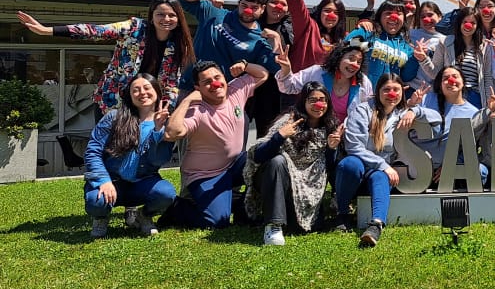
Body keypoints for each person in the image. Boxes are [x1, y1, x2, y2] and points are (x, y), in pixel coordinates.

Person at [18, 0, 195, 112]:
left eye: (172, 15)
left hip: (148, 106)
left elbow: (172, 83)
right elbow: (95, 31)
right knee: (110, 154)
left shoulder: (179, 45)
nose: (166, 19)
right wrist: (47, 31)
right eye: (160, 14)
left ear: (179, 19)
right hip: (113, 102)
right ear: (151, 16)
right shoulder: (134, 28)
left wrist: (167, 107)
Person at [163, 60, 268, 228]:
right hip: (206, 175)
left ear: (224, 78)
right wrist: (187, 101)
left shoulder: (236, 90)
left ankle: (239, 204)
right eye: (207, 82)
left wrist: (245, 65)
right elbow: (171, 133)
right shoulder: (196, 110)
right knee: (217, 221)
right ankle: (178, 208)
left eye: (217, 77)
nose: (215, 84)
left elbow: (263, 74)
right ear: (198, 88)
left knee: (265, 156)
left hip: (234, 165)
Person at [336, 73, 436, 245]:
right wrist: (383, 165)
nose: (392, 94)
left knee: (380, 176)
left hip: (380, 174)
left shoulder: (401, 113)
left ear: (402, 93)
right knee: (349, 164)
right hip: (359, 169)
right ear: (378, 91)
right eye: (386, 89)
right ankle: (342, 214)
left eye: (396, 89)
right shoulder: (362, 110)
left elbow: (436, 117)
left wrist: (414, 110)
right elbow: (354, 147)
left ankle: (376, 225)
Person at [244, 82, 343, 246]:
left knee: (302, 227)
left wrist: (332, 149)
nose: (319, 104)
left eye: (323, 100)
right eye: (312, 100)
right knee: (278, 160)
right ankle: (273, 225)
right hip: (277, 182)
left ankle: (288, 219)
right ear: (303, 102)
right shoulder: (288, 121)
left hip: (308, 189)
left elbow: (328, 170)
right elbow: (258, 156)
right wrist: (280, 136)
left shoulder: (330, 128)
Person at [83, 74, 177, 238]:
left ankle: (144, 216)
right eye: (136, 90)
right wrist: (103, 180)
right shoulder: (114, 118)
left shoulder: (165, 123)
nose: (142, 93)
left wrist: (157, 130)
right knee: (95, 201)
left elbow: (159, 160)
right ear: (129, 95)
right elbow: (93, 151)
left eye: (147, 88)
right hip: (113, 181)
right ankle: (101, 217)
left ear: (157, 91)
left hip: (143, 181)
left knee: (166, 194)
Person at [175, 0, 280, 89]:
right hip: (189, 86)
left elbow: (277, 68)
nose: (248, 11)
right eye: (244, 5)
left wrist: (277, 39)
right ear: (238, 4)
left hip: (218, 94)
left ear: (263, 9)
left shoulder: (259, 41)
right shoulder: (213, 13)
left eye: (254, 7)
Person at [274, 42, 372, 125]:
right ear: (339, 58)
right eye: (351, 58)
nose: (355, 64)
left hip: (346, 137)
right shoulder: (317, 72)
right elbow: (288, 87)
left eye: (359, 62)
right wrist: (286, 70)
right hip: (314, 132)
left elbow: (369, 111)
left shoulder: (363, 82)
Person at [249, 0, 296, 137]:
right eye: (274, 2)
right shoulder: (252, 25)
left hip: (278, 90)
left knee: (274, 134)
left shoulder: (290, 28)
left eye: (283, 4)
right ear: (265, 5)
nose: (278, 7)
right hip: (252, 86)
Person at [284, 0, 348, 71]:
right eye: (327, 11)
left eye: (336, 13)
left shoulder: (343, 38)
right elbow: (299, 12)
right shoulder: (308, 28)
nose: (331, 15)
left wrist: (366, 19)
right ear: (320, 12)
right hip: (303, 85)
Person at [345, 0, 420, 90]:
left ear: (404, 18)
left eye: (399, 13)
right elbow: (346, 44)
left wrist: (415, 57)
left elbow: (406, 77)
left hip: (386, 97)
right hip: (359, 92)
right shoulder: (368, 31)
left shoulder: (406, 47)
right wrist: (370, 46)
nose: (393, 17)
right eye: (388, 13)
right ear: (380, 16)